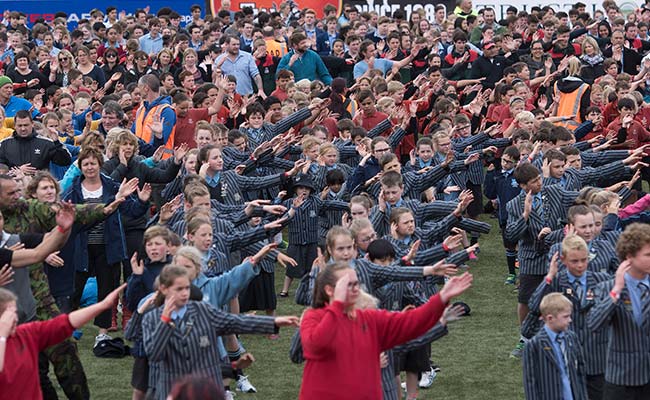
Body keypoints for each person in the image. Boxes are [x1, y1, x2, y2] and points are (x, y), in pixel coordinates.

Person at [298, 261, 473, 399]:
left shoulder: (368, 318)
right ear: (329, 290)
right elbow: (316, 344)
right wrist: (337, 304)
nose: (356, 288)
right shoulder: (313, 317)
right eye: (348, 285)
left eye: (356, 283)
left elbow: (410, 322)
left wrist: (442, 297)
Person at [141, 264, 299, 399]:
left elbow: (233, 321)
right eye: (179, 289)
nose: (184, 293)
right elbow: (154, 353)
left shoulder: (201, 310)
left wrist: (273, 322)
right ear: (163, 289)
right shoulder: (152, 318)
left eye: (187, 288)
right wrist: (165, 321)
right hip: (169, 391)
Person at [0, 283, 127, 400]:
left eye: (15, 311)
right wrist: (2, 335)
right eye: (9, 313)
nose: (15, 317)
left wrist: (102, 305)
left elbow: (66, 322)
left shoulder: (26, 334)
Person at [589, 223, 650, 399]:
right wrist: (616, 291)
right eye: (648, 255)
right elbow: (594, 324)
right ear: (629, 256)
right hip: (621, 380)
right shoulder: (607, 288)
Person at [523, 292, 588, 400]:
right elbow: (530, 383)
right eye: (566, 317)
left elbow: (580, 372)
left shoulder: (572, 337)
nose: (570, 320)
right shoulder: (534, 345)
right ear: (550, 318)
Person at [0, 110, 71, 170]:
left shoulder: (45, 143)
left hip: (39, 183)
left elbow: (64, 161)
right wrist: (18, 170)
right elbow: (1, 168)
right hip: (14, 184)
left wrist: (57, 142)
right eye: (20, 125)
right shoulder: (5, 144)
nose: (23, 129)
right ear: (15, 126)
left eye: (26, 125)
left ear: (32, 124)